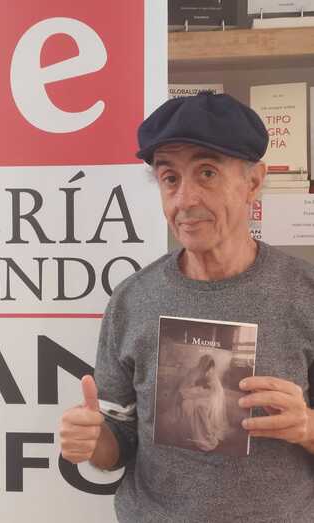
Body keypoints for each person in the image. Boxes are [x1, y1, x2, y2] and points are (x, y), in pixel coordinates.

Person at [59, 92, 314, 522]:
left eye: (207, 173)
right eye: (170, 178)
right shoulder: (132, 300)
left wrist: (306, 425)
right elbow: (117, 442)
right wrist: (94, 441)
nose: (184, 200)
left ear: (254, 182)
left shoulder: (304, 293)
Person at [177, 355, 230, 452]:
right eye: (207, 367)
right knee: (189, 405)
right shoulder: (195, 372)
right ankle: (193, 434)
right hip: (200, 395)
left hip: (209, 398)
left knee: (199, 406)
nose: (209, 370)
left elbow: (216, 391)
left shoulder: (212, 374)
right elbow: (189, 387)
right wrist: (198, 388)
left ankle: (205, 435)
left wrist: (206, 389)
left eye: (210, 367)